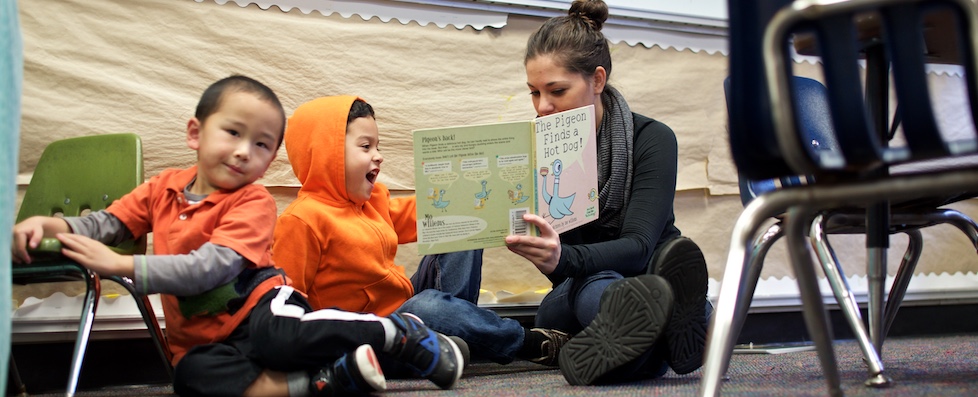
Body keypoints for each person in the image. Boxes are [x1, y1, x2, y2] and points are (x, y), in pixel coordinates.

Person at [10, 75, 464, 397]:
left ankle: (396, 331)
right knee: (192, 377)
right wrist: (57, 226)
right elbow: (111, 222)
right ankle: (325, 382)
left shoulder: (253, 203)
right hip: (206, 338)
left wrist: (124, 266)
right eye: (233, 133)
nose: (245, 151)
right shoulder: (160, 190)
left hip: (260, 311)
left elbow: (212, 267)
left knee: (279, 340)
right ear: (195, 132)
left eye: (263, 144)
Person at [273, 95, 572, 371]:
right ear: (325, 153)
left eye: (378, 146)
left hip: (409, 306)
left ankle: (454, 335)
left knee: (461, 224)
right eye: (365, 147)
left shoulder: (373, 199)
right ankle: (529, 342)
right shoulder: (302, 220)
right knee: (425, 307)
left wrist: (499, 192)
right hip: (374, 332)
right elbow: (286, 304)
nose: (378, 156)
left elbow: (430, 213)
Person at [508, 0, 710, 385]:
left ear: (597, 80)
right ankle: (660, 341)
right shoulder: (537, 152)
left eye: (557, 90)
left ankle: (648, 339)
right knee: (579, 298)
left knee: (610, 292)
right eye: (534, 93)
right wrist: (539, 247)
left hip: (649, 268)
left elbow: (638, 244)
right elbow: (562, 272)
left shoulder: (652, 138)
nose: (543, 107)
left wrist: (562, 258)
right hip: (585, 287)